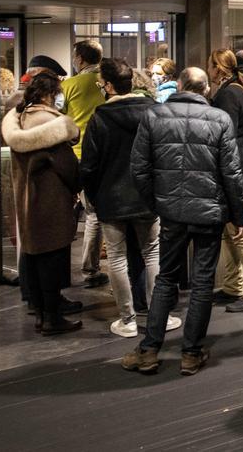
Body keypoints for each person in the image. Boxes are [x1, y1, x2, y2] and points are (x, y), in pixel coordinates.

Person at [122, 68, 243, 376]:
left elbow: (138, 169)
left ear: (179, 86)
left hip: (172, 213)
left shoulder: (155, 116)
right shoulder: (220, 120)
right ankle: (191, 353)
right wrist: (238, 214)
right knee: (203, 281)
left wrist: (158, 202)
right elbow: (231, 173)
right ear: (205, 90)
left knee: (166, 277)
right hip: (210, 212)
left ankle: (149, 349)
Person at [80, 58, 181, 337]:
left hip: (111, 197)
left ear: (110, 86)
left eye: (102, 82)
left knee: (116, 258)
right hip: (148, 195)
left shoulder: (100, 117)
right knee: (152, 253)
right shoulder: (156, 112)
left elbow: (88, 165)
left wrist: (91, 195)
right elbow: (167, 154)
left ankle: (127, 320)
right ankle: (160, 314)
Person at [2, 72, 83, 335]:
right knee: (52, 257)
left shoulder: (20, 120)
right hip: (50, 200)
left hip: (26, 199)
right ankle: (52, 317)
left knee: (33, 256)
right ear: (50, 95)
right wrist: (77, 185)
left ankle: (39, 312)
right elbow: (67, 167)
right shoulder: (50, 125)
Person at [207, 49, 243, 314]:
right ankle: (233, 286)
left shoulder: (230, 92)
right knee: (231, 230)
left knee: (241, 230)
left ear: (217, 68)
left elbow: (225, 133)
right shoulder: (235, 89)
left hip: (235, 167)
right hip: (236, 164)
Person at [64, 40, 109, 289]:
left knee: (92, 214)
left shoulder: (69, 85)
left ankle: (90, 270)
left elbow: (61, 121)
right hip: (107, 156)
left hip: (79, 156)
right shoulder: (109, 81)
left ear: (80, 59)